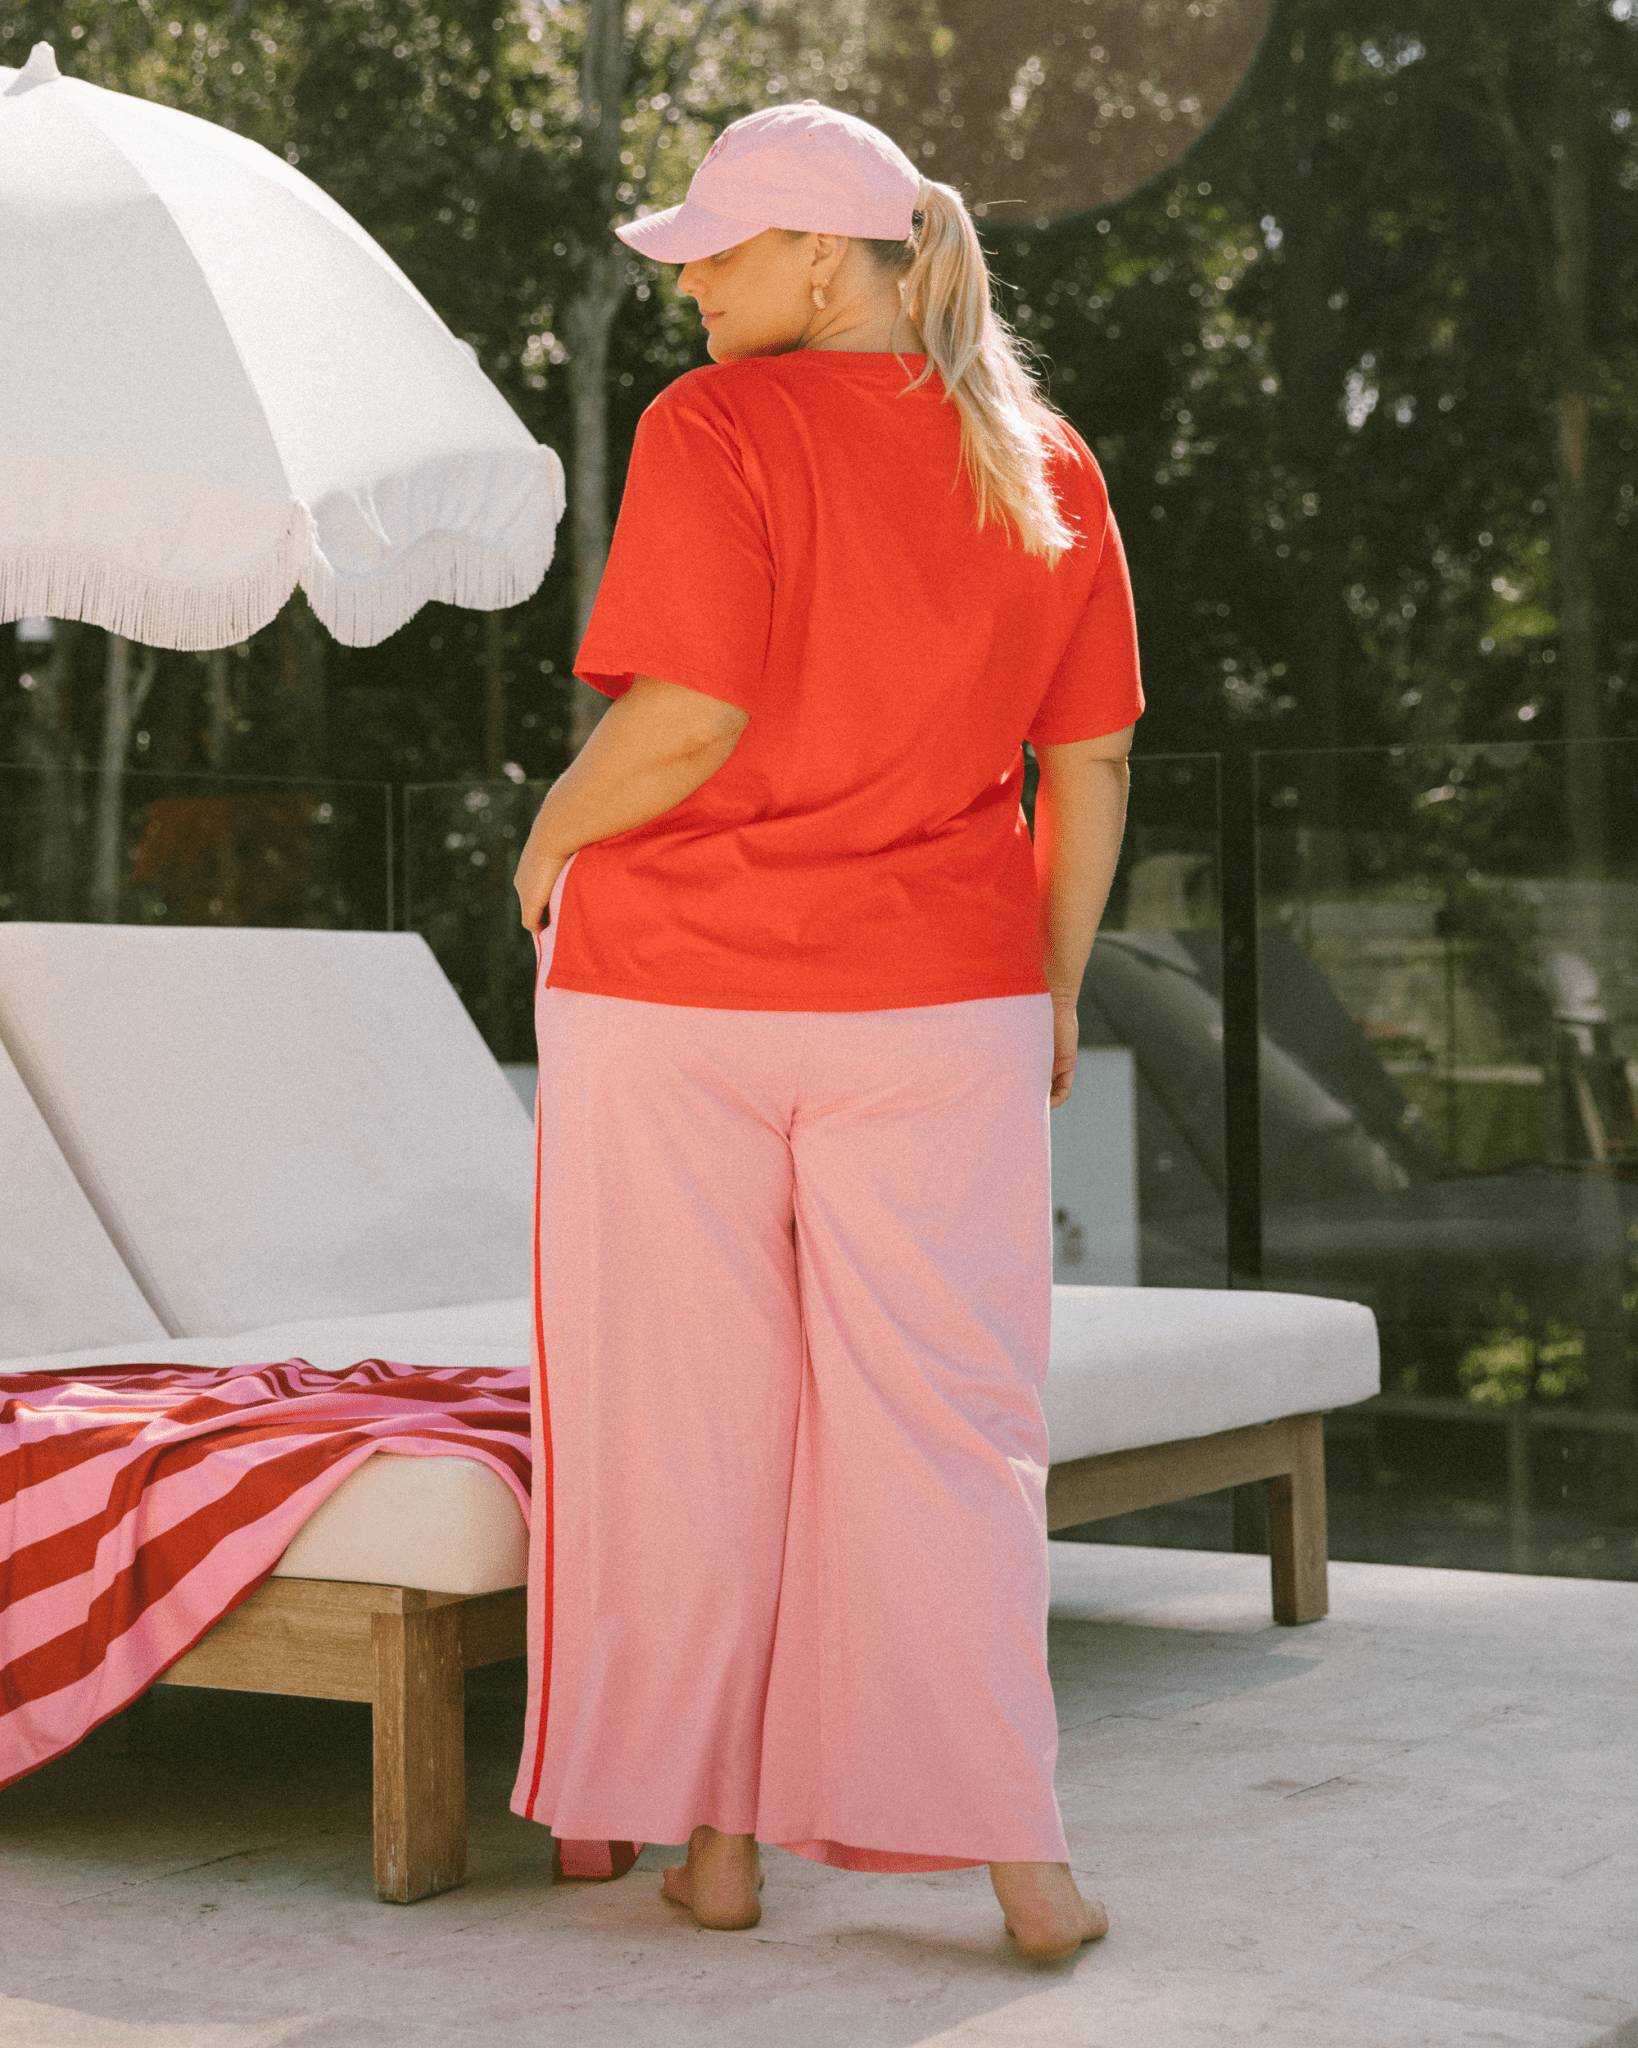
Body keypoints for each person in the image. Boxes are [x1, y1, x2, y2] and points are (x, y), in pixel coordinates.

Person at [510, 100, 1140, 1963]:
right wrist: (1052, 983)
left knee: (685, 1420)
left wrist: (543, 837)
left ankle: (714, 1849)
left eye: (715, 248)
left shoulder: (715, 425)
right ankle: (1022, 1869)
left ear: (817, 256)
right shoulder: (1040, 454)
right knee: (950, 1428)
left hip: (671, 994)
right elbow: (1090, 764)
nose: (691, 284)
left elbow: (686, 719)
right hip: (943, 999)